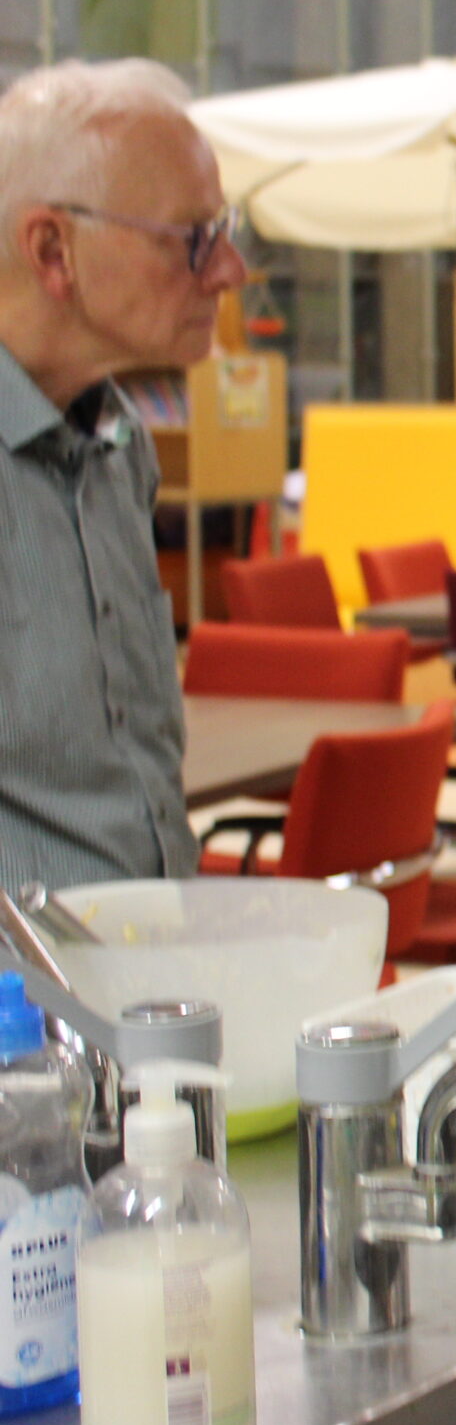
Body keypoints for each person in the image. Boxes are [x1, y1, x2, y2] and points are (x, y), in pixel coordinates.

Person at [0, 60, 248, 893]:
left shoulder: (119, 448)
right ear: (53, 251)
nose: (229, 269)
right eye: (192, 237)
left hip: (146, 955)